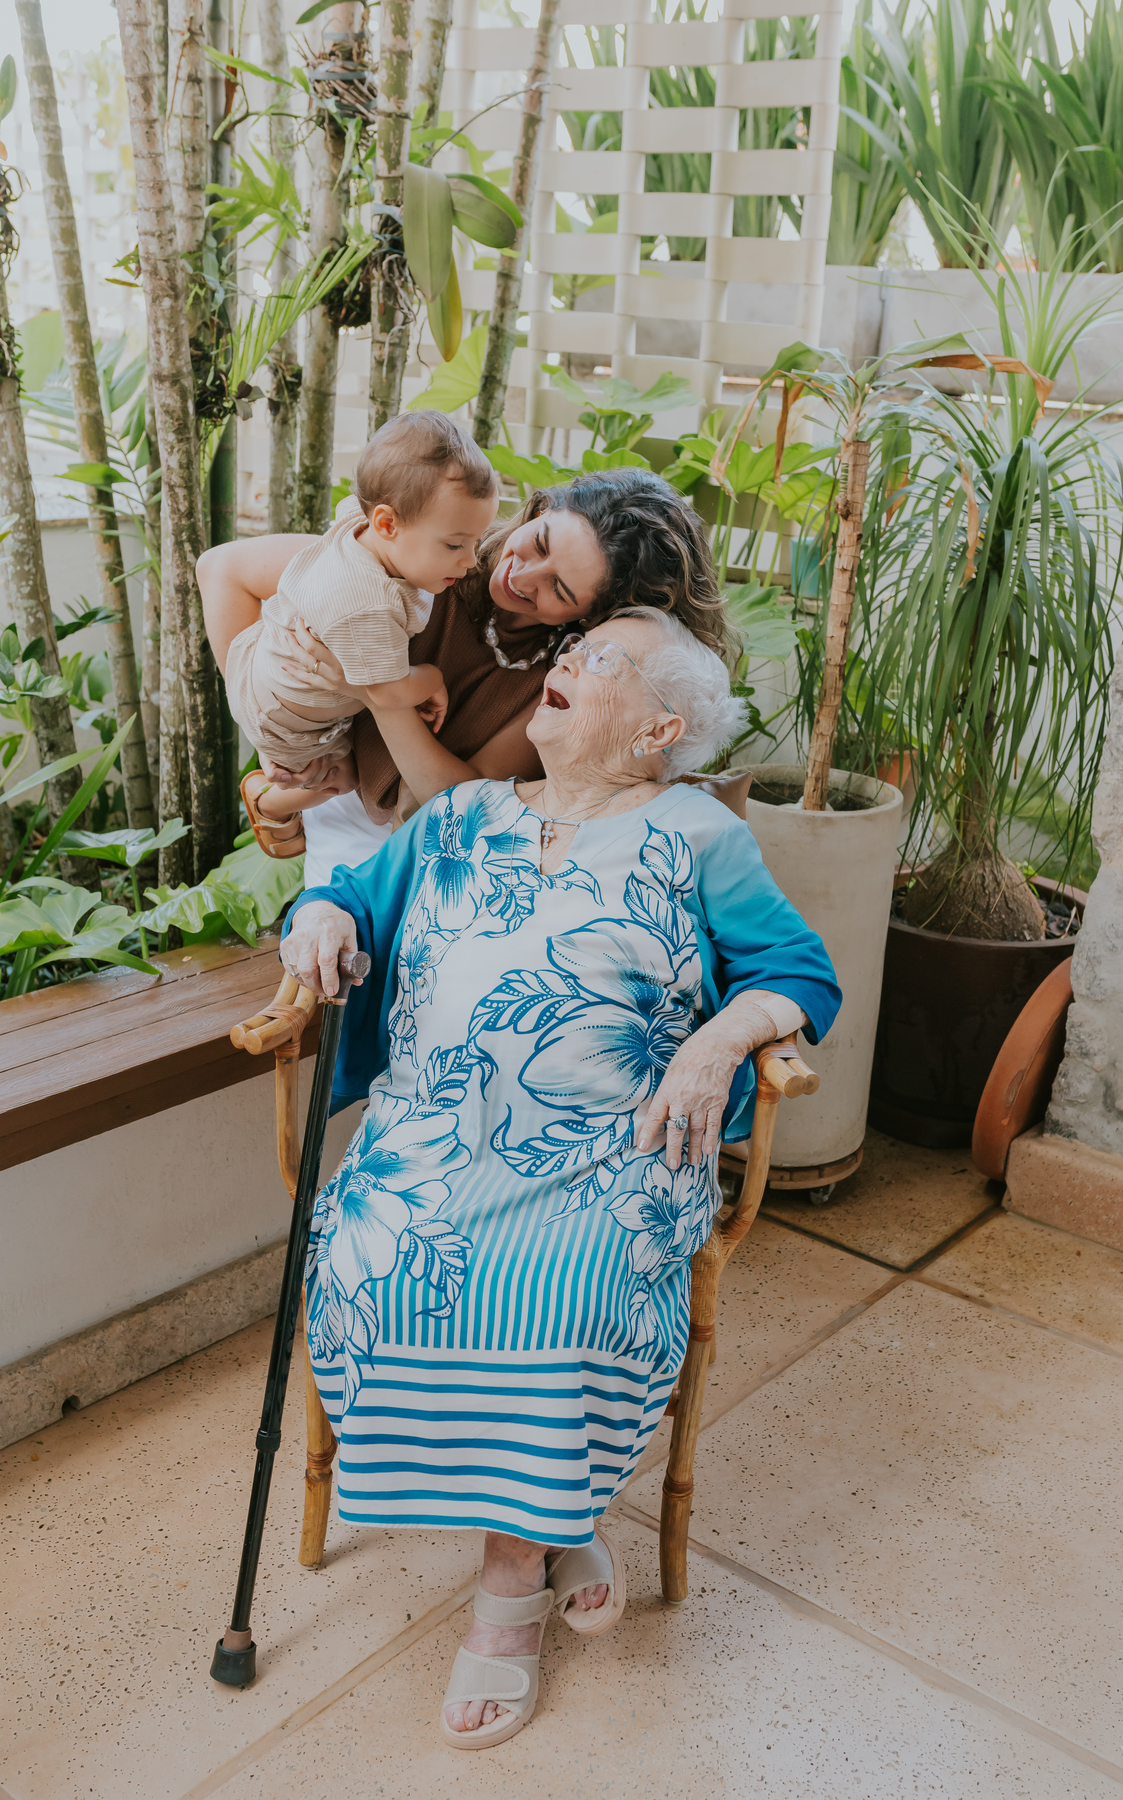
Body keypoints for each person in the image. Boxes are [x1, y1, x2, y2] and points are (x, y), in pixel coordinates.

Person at [281, 608, 841, 1750]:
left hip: (612, 1150)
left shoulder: (696, 833)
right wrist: (323, 914)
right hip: (435, 1135)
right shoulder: (460, 816)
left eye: (604, 665)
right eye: (569, 656)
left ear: (661, 728)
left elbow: (797, 972)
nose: (567, 667)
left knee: (555, 1295)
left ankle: (505, 1595)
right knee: (366, 1264)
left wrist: (717, 1041)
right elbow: (348, 900)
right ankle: (558, 1508)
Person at [198, 467, 732, 883]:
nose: (522, 575)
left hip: (429, 852)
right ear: (540, 508)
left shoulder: (561, 674)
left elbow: (457, 799)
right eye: (539, 541)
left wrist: (372, 687)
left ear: (591, 617)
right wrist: (267, 721)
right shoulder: (421, 551)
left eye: (560, 590)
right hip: (338, 830)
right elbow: (222, 569)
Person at [209, 412, 498, 849]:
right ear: (386, 523)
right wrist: (433, 681)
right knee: (345, 774)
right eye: (455, 544)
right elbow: (386, 693)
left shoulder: (357, 526)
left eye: (478, 541)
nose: (471, 560)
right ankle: (271, 801)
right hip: (287, 718)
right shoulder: (369, 605)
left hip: (265, 657)